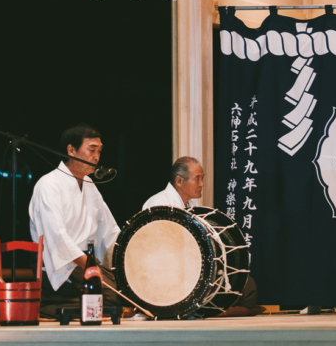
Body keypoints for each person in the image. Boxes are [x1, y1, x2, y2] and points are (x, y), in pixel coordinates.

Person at [144, 156, 261, 315]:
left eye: (202, 178)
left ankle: (213, 309)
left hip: (193, 268)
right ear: (179, 181)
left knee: (247, 288)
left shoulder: (193, 205)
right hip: (169, 273)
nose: (201, 184)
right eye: (197, 179)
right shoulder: (159, 204)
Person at [29, 124, 122, 319]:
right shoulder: (48, 185)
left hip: (85, 262)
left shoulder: (89, 184)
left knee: (122, 289)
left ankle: (66, 305)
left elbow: (109, 231)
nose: (96, 157)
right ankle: (49, 304)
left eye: (99, 151)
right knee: (110, 298)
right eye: (91, 150)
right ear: (71, 150)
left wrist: (125, 260)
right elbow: (56, 236)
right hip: (63, 264)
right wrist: (87, 265)